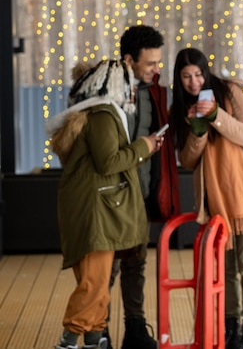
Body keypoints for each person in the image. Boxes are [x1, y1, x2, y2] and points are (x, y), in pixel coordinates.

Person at [46, 59, 165, 349]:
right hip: (96, 212)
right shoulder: (102, 115)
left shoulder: (100, 113)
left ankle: (95, 338)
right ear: (117, 86)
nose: (134, 91)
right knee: (94, 284)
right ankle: (69, 339)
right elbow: (108, 161)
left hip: (96, 210)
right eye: (130, 85)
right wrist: (144, 146)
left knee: (97, 286)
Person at [169, 47, 243, 349]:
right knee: (226, 268)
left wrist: (216, 114)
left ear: (206, 71)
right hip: (215, 198)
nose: (193, 82)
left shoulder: (229, 91)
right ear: (179, 79)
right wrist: (198, 128)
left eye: (198, 74)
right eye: (186, 76)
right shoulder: (181, 107)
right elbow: (188, 160)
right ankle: (232, 329)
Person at [104, 24, 181, 349]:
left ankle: (134, 329)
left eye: (158, 62)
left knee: (136, 261)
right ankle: (99, 331)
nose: (156, 69)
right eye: (150, 63)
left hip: (143, 191)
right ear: (129, 60)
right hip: (112, 198)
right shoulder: (105, 94)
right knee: (107, 266)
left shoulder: (155, 90)